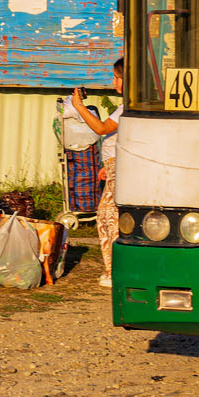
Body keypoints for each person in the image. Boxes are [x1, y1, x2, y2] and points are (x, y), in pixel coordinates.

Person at [69, 57, 123, 289]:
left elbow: (101, 129)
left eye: (117, 77)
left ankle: (114, 272)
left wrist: (79, 106)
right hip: (113, 166)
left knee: (107, 219)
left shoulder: (125, 107)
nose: (114, 82)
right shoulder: (126, 106)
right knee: (109, 217)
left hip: (118, 167)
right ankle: (115, 270)